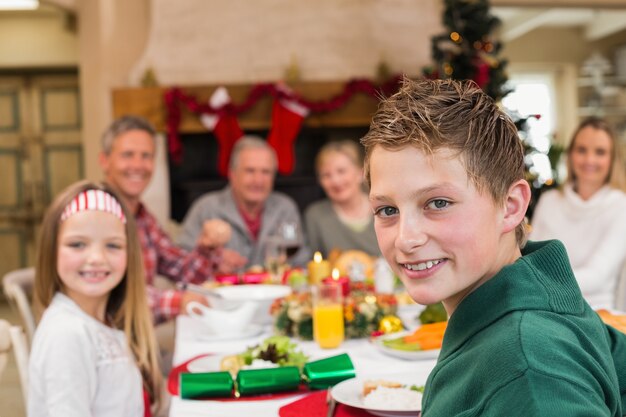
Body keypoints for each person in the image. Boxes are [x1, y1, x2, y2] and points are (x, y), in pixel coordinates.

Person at [362, 77, 626, 416]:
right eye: (387, 210)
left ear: (511, 206)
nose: (405, 238)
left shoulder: (529, 365)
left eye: (438, 203)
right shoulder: (535, 307)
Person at [29, 181, 162, 417]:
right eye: (77, 244)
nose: (97, 258)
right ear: (52, 250)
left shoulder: (106, 321)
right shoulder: (66, 334)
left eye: (113, 245)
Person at [99, 116, 246, 324]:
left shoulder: (143, 216)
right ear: (104, 161)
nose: (138, 165)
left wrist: (206, 249)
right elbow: (113, 297)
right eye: (128, 155)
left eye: (146, 156)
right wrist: (180, 301)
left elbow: (182, 271)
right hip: (108, 347)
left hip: (139, 342)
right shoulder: (98, 214)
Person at [530, 117, 626, 310]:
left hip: (597, 313)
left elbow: (597, 276)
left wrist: (538, 285)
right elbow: (531, 258)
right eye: (582, 150)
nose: (590, 159)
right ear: (571, 155)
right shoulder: (549, 201)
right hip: (545, 307)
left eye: (600, 152)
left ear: (611, 159)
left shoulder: (620, 206)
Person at [178, 136, 309, 268]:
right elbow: (180, 263)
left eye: (266, 172)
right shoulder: (206, 208)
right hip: (220, 288)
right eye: (250, 171)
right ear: (232, 174)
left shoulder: (285, 209)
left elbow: (300, 261)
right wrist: (212, 260)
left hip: (275, 287)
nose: (258, 181)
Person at [304, 140, 379, 257]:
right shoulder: (315, 215)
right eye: (326, 175)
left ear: (361, 173)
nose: (335, 181)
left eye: (341, 171)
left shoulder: (381, 207)